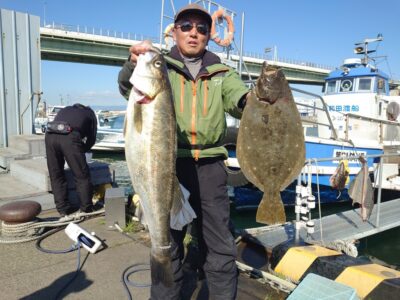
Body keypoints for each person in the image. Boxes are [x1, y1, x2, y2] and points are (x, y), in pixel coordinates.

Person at [118, 3, 249, 299]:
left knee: (219, 243)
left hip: (211, 167)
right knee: (168, 238)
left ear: (208, 35)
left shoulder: (221, 72)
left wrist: (253, 101)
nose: (194, 33)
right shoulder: (161, 67)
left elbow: (238, 97)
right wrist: (133, 62)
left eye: (202, 29)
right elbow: (127, 86)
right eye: (187, 26)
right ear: (175, 31)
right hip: (168, 164)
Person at [45, 103, 98, 220]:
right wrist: (82, 150)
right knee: (81, 175)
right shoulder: (90, 114)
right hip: (70, 136)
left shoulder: (65, 109)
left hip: (49, 135)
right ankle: (86, 209)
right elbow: (91, 139)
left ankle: (63, 209)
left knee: (56, 174)